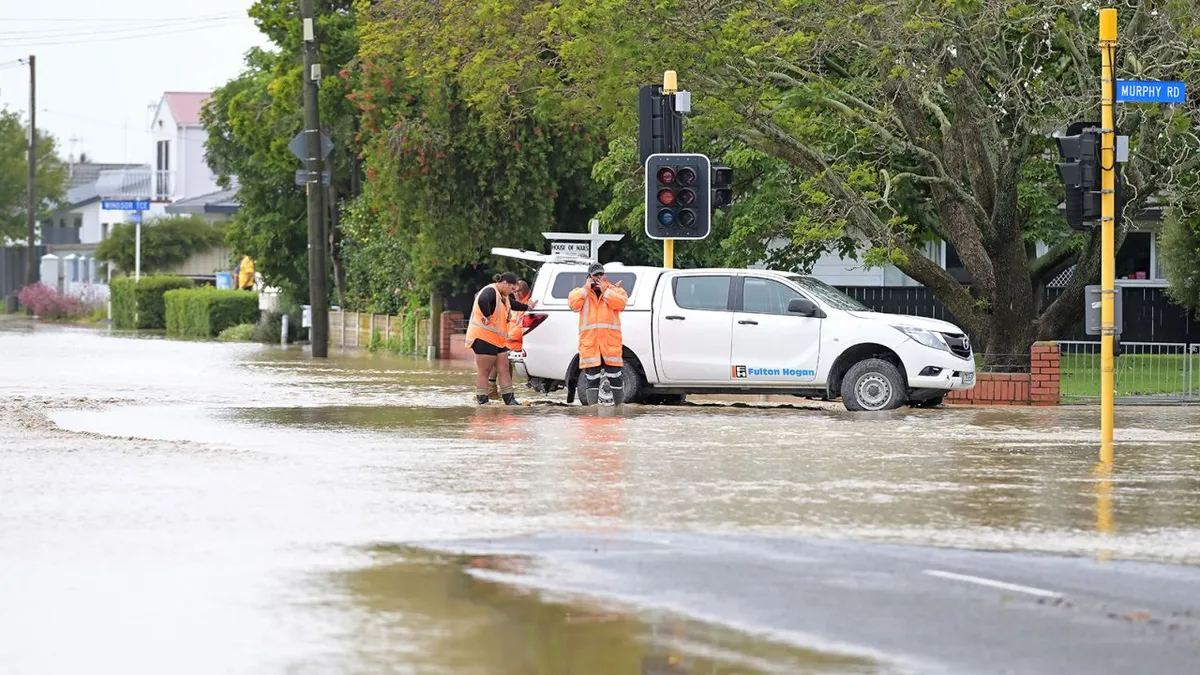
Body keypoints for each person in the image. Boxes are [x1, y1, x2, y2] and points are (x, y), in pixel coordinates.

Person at [465, 272, 535, 405]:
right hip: (483, 338)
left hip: (497, 340)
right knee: (484, 371)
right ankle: (483, 401)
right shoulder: (490, 291)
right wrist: (487, 314)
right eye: (512, 289)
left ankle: (510, 400)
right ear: (505, 284)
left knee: (503, 368)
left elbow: (514, 305)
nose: (512, 292)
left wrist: (528, 307)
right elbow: (482, 300)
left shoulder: (504, 296)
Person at [568, 262, 628, 406]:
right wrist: (585, 289)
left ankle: (619, 409)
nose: (599, 277)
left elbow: (621, 303)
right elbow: (573, 304)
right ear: (589, 276)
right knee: (592, 378)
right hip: (590, 344)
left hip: (610, 344)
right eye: (596, 275)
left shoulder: (615, 290)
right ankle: (592, 411)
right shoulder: (581, 292)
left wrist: (606, 291)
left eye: (601, 274)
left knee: (615, 377)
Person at [488, 279, 531, 398]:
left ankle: (497, 390)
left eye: (516, 292)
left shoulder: (527, 304)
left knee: (499, 353)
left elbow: (522, 329)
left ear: (523, 291)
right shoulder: (517, 304)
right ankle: (499, 390)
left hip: (518, 343)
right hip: (509, 341)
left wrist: (506, 336)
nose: (514, 294)